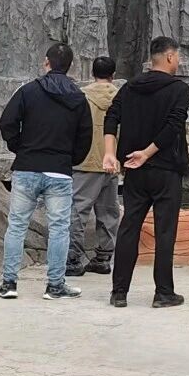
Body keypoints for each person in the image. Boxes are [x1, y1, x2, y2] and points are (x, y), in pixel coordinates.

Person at [0, 44, 92, 301]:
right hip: (59, 170)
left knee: (17, 225)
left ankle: (9, 283)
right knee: (59, 228)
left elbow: (7, 122)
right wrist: (70, 159)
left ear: (46, 62)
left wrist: (19, 147)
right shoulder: (78, 98)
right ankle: (55, 285)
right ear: (70, 66)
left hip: (27, 167)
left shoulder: (28, 91)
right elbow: (85, 136)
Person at [104, 37, 189, 309]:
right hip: (166, 169)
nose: (179, 61)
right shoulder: (179, 89)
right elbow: (173, 126)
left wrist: (109, 152)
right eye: (177, 56)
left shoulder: (130, 86)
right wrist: (148, 152)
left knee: (129, 227)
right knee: (165, 231)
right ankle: (163, 292)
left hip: (134, 169)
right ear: (169, 57)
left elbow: (111, 117)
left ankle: (119, 292)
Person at [66, 56, 122, 278]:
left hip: (86, 161)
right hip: (112, 161)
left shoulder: (82, 96)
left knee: (78, 211)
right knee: (109, 212)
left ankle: (73, 259)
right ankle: (104, 258)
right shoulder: (122, 97)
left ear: (92, 73)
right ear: (113, 75)